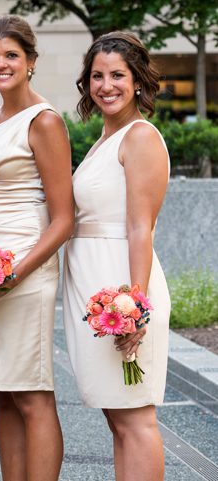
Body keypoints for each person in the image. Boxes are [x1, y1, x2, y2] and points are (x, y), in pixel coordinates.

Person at [0, 15, 73, 481]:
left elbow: (64, 218)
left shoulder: (44, 121)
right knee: (1, 393)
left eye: (11, 55)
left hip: (25, 267)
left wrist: (13, 274)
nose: (1, 64)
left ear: (30, 62)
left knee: (31, 393)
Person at [63, 31, 170, 481]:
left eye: (118, 76)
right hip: (93, 285)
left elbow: (139, 226)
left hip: (123, 286)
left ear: (138, 81)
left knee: (135, 419)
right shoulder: (106, 138)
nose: (106, 85)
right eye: (97, 76)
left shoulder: (140, 136)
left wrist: (135, 306)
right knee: (117, 417)